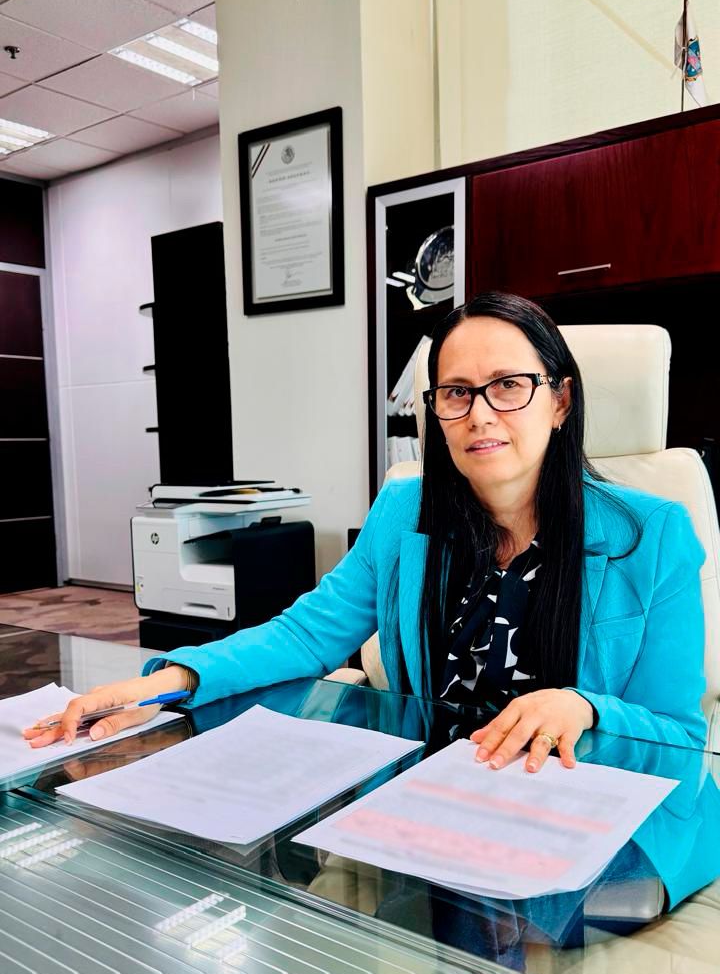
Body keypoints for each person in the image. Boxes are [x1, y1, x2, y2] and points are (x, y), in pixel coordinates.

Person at [25, 291, 707, 772]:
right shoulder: (404, 514)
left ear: (559, 401)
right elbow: (306, 635)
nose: (480, 414)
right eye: (456, 392)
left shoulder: (653, 536)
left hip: (577, 801)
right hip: (429, 788)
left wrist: (585, 709)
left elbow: (678, 734)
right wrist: (170, 680)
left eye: (509, 385)